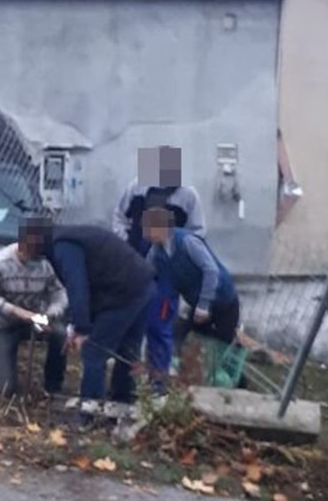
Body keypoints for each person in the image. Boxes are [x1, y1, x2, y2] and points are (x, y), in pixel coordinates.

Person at [113, 146, 206, 391]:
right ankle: (125, 387)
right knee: (129, 325)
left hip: (166, 274)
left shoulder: (188, 196)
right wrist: (125, 245)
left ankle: (158, 386)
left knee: (159, 327)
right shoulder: (136, 187)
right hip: (133, 266)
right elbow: (119, 217)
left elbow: (198, 232)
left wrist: (177, 252)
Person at [45, 221, 155, 423]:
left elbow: (77, 286)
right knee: (128, 350)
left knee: (93, 353)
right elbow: (91, 284)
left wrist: (82, 328)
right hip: (143, 284)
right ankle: (121, 407)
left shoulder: (63, 246)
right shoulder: (76, 233)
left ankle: (89, 414)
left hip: (123, 293)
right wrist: (75, 324)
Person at [0, 217, 69, 397]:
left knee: (61, 334)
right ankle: (2, 372)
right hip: (3, 324)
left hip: (35, 319)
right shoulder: (0, 262)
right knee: (6, 389)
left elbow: (59, 293)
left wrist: (50, 314)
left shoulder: (44, 264)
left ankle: (53, 386)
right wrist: (17, 312)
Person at [142, 208, 240, 346]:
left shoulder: (187, 241)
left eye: (149, 230)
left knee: (223, 342)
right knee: (186, 333)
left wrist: (204, 305)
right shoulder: (155, 252)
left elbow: (211, 270)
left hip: (222, 298)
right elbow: (147, 274)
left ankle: (233, 349)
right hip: (196, 301)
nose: (146, 235)